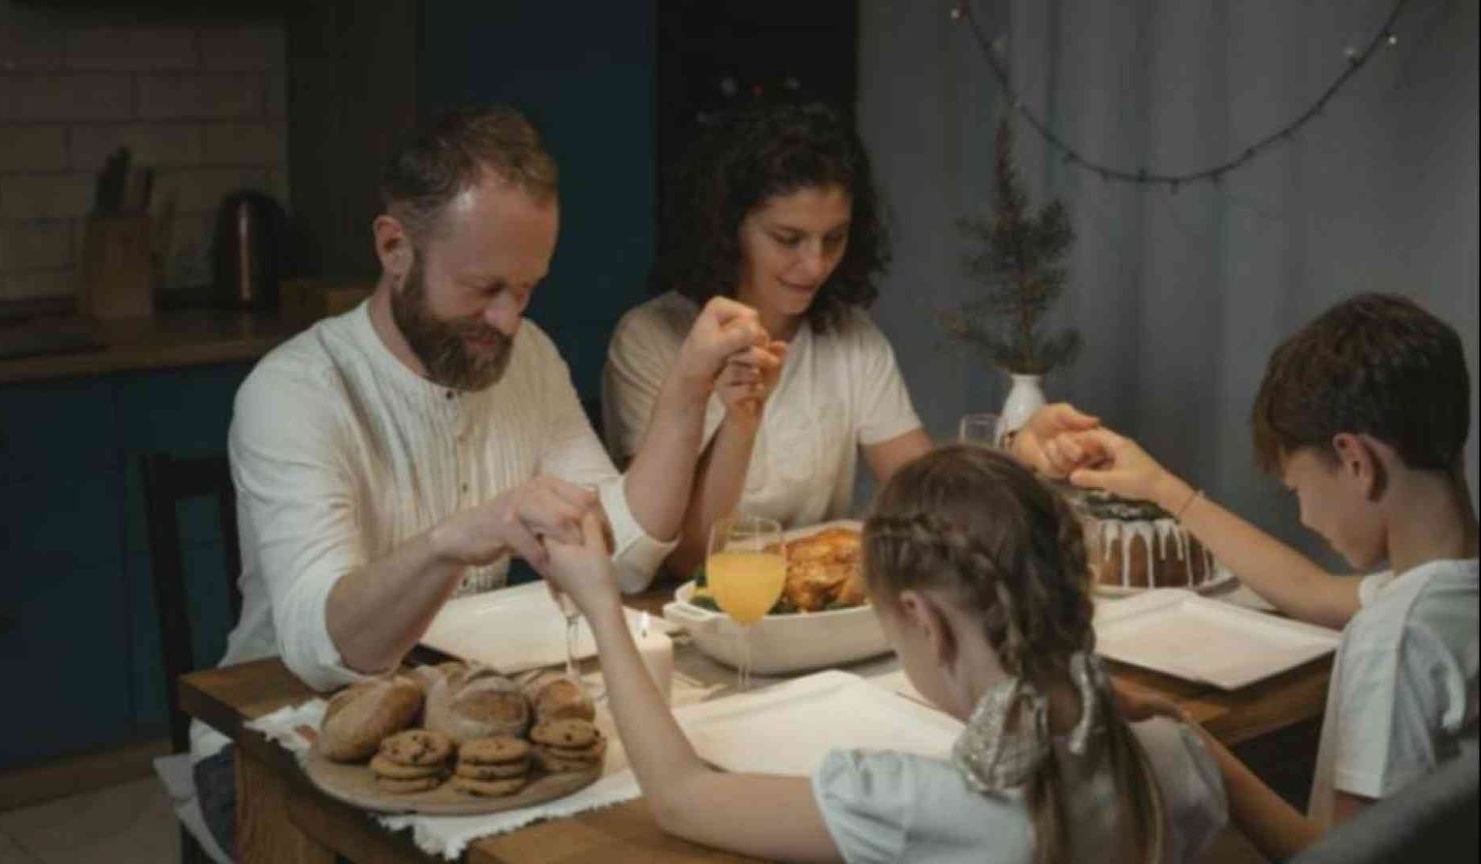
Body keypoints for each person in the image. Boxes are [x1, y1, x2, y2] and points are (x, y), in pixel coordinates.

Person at [190, 106, 770, 853]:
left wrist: (689, 389)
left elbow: (621, 553)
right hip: (274, 741)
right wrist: (459, 538)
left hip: (461, 718)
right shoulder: (296, 392)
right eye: (483, 288)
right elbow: (319, 649)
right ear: (394, 247)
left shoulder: (528, 357)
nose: (507, 319)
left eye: (527, 288)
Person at [539, 446, 1228, 863]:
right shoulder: (1173, 758)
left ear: (919, 618)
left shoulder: (915, 805)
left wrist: (604, 607)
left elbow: (682, 800)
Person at [1054, 294, 1478, 859]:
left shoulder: (1396, 639)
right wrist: (1161, 488)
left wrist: (1186, 735)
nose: (1303, 515)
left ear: (1355, 460)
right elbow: (1312, 592)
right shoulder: (1444, 595)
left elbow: (1339, 855)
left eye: (1298, 489)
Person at [602, 101, 1094, 576]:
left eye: (833, 239)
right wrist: (739, 422)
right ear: (729, 229)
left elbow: (926, 493)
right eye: (788, 239)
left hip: (818, 605)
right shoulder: (650, 339)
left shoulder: (852, 337)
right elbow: (688, 560)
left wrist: (1014, 452)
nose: (814, 265)